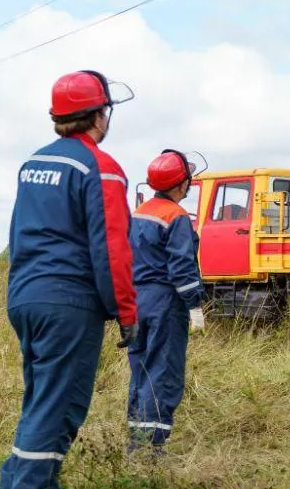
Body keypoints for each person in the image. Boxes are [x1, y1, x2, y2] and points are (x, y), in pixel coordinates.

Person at [0, 70, 138, 489]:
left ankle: (23, 479)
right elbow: (111, 249)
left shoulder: (33, 164)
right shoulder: (101, 168)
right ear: (99, 115)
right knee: (59, 406)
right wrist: (126, 312)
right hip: (68, 303)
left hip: (26, 297)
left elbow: (17, 232)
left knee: (41, 400)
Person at [125, 149, 207, 455]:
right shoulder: (177, 217)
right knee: (163, 371)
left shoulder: (138, 214)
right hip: (164, 302)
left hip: (135, 300)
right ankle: (151, 449)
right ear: (180, 184)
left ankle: (136, 440)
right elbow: (182, 267)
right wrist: (194, 304)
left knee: (141, 369)